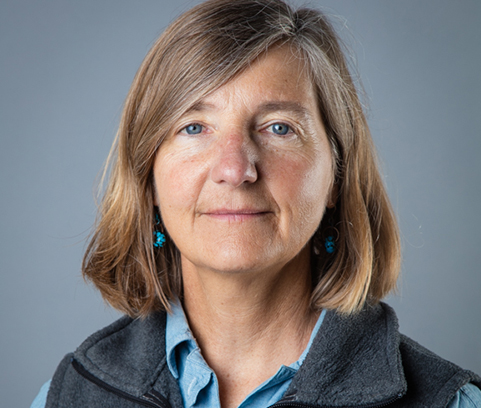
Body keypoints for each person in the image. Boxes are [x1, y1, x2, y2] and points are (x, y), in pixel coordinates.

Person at [31, 0, 481, 407]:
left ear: (336, 179)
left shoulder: (450, 402)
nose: (234, 168)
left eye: (279, 128)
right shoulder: (69, 394)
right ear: (148, 179)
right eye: (193, 127)